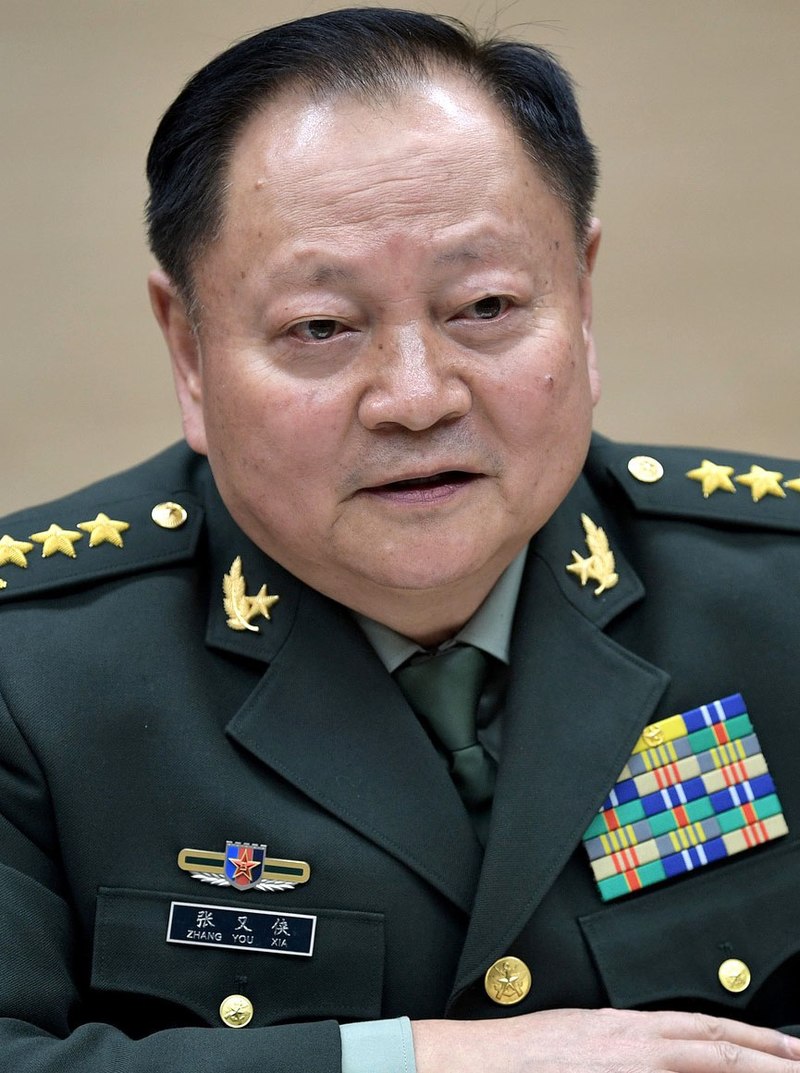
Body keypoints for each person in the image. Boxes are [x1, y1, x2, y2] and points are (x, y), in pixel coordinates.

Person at [1, 7, 800, 1072]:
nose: (417, 399)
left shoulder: (778, 589)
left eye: (484, 305)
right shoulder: (31, 671)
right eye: (320, 328)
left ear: (581, 298)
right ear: (188, 350)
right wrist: (422, 1063)